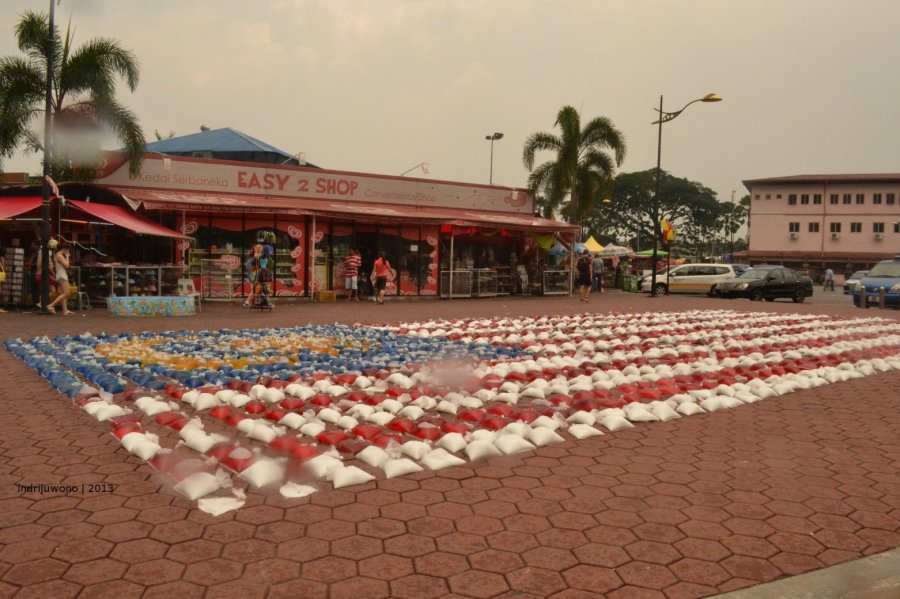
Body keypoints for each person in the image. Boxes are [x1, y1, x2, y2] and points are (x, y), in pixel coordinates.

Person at [47, 244, 73, 315]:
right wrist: (67, 257)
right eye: (68, 250)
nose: (68, 252)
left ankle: (65, 310)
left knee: (63, 293)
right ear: (65, 249)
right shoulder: (59, 256)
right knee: (66, 293)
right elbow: (67, 266)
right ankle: (51, 305)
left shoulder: (58, 255)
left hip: (60, 275)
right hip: (62, 276)